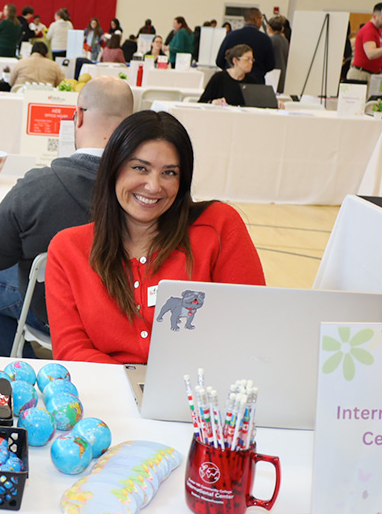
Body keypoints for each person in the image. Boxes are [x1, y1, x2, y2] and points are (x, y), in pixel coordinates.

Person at [46, 110, 265, 364]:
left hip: (198, 391)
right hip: (110, 393)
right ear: (114, 169)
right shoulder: (68, 248)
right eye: (140, 168)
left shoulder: (219, 226)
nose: (153, 186)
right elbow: (71, 351)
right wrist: (136, 390)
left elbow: (252, 325)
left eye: (169, 173)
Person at [0, 77, 135, 357]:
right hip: (127, 314)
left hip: (53, 312)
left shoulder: (38, 186)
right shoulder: (149, 190)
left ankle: (24, 369)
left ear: (77, 118)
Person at [347, 2, 382, 84]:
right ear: (375, 16)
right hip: (361, 74)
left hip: (373, 73)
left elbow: (378, 53)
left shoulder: (379, 30)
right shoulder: (369, 30)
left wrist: (379, 71)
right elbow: (371, 54)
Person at [215, 8, 273, 84]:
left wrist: (232, 69)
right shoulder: (265, 39)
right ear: (256, 19)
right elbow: (271, 64)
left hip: (231, 81)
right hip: (256, 82)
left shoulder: (231, 36)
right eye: (261, 18)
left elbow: (219, 61)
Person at [268, 15, 289, 93]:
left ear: (269, 27)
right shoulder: (285, 40)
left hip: (273, 74)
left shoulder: (271, 40)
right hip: (282, 73)